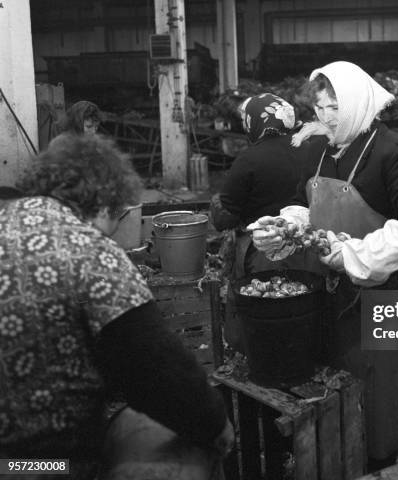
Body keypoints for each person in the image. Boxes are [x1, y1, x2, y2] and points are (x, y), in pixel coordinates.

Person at [0, 134, 233, 479]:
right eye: (119, 217)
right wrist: (216, 426)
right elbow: (157, 370)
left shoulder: (8, 217)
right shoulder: (90, 252)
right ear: (104, 203)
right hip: (35, 466)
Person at [248, 61, 398, 470]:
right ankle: (339, 460)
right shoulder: (321, 150)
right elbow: (306, 205)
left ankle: (381, 464)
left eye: (335, 106)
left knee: (379, 396)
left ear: (357, 102)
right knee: (338, 385)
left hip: (386, 297)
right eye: (319, 107)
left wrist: (357, 255)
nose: (325, 116)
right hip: (335, 294)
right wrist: (286, 226)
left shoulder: (392, 151)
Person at [209, 93, 316, 351]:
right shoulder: (311, 148)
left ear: (251, 123)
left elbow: (225, 218)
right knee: (305, 310)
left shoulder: (250, 158)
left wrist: (217, 204)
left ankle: (261, 360)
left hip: (264, 252)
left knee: (266, 314)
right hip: (308, 247)